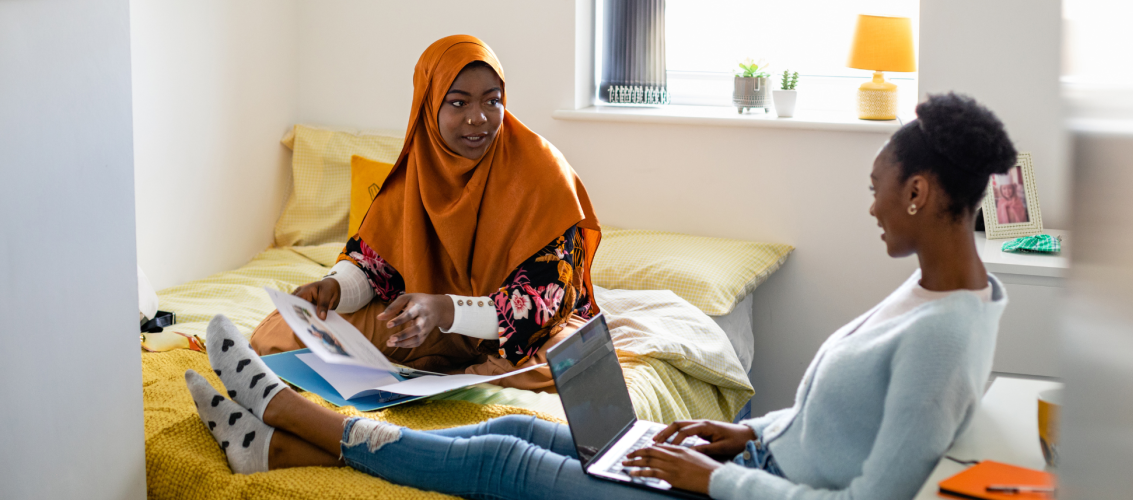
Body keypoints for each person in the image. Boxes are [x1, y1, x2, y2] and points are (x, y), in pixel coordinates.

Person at [186, 92, 1014, 500]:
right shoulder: (930, 286)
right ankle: (275, 453)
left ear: (917, 193)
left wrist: (710, 480)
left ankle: (308, 420)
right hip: (749, 462)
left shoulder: (945, 333)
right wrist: (739, 433)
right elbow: (828, 424)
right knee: (509, 421)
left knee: (504, 459)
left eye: (877, 187)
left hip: (732, 497)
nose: (867, 203)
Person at [250, 35, 602, 390]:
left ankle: (457, 378)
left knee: (578, 361)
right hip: (430, 325)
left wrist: (444, 309)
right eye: (458, 103)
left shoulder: (543, 172)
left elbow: (544, 301)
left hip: (519, 336)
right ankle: (472, 375)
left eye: (492, 101)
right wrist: (334, 287)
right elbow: (375, 264)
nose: (477, 118)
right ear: (428, 106)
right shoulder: (416, 172)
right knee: (280, 333)